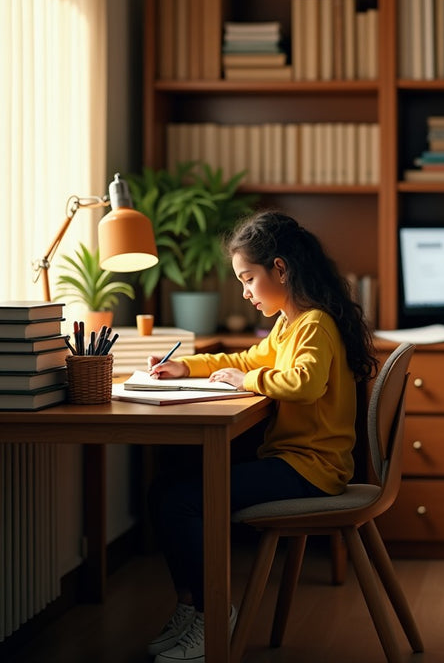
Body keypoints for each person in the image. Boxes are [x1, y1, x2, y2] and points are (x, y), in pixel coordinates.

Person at [146, 208, 377, 663]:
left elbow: (305, 383)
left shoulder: (313, 324)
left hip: (312, 471)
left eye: (248, 279)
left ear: (280, 269)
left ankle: (212, 615)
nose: (245, 292)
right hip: (295, 462)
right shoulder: (290, 323)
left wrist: (244, 381)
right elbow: (251, 358)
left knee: (180, 500)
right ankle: (193, 607)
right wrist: (187, 366)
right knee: (167, 489)